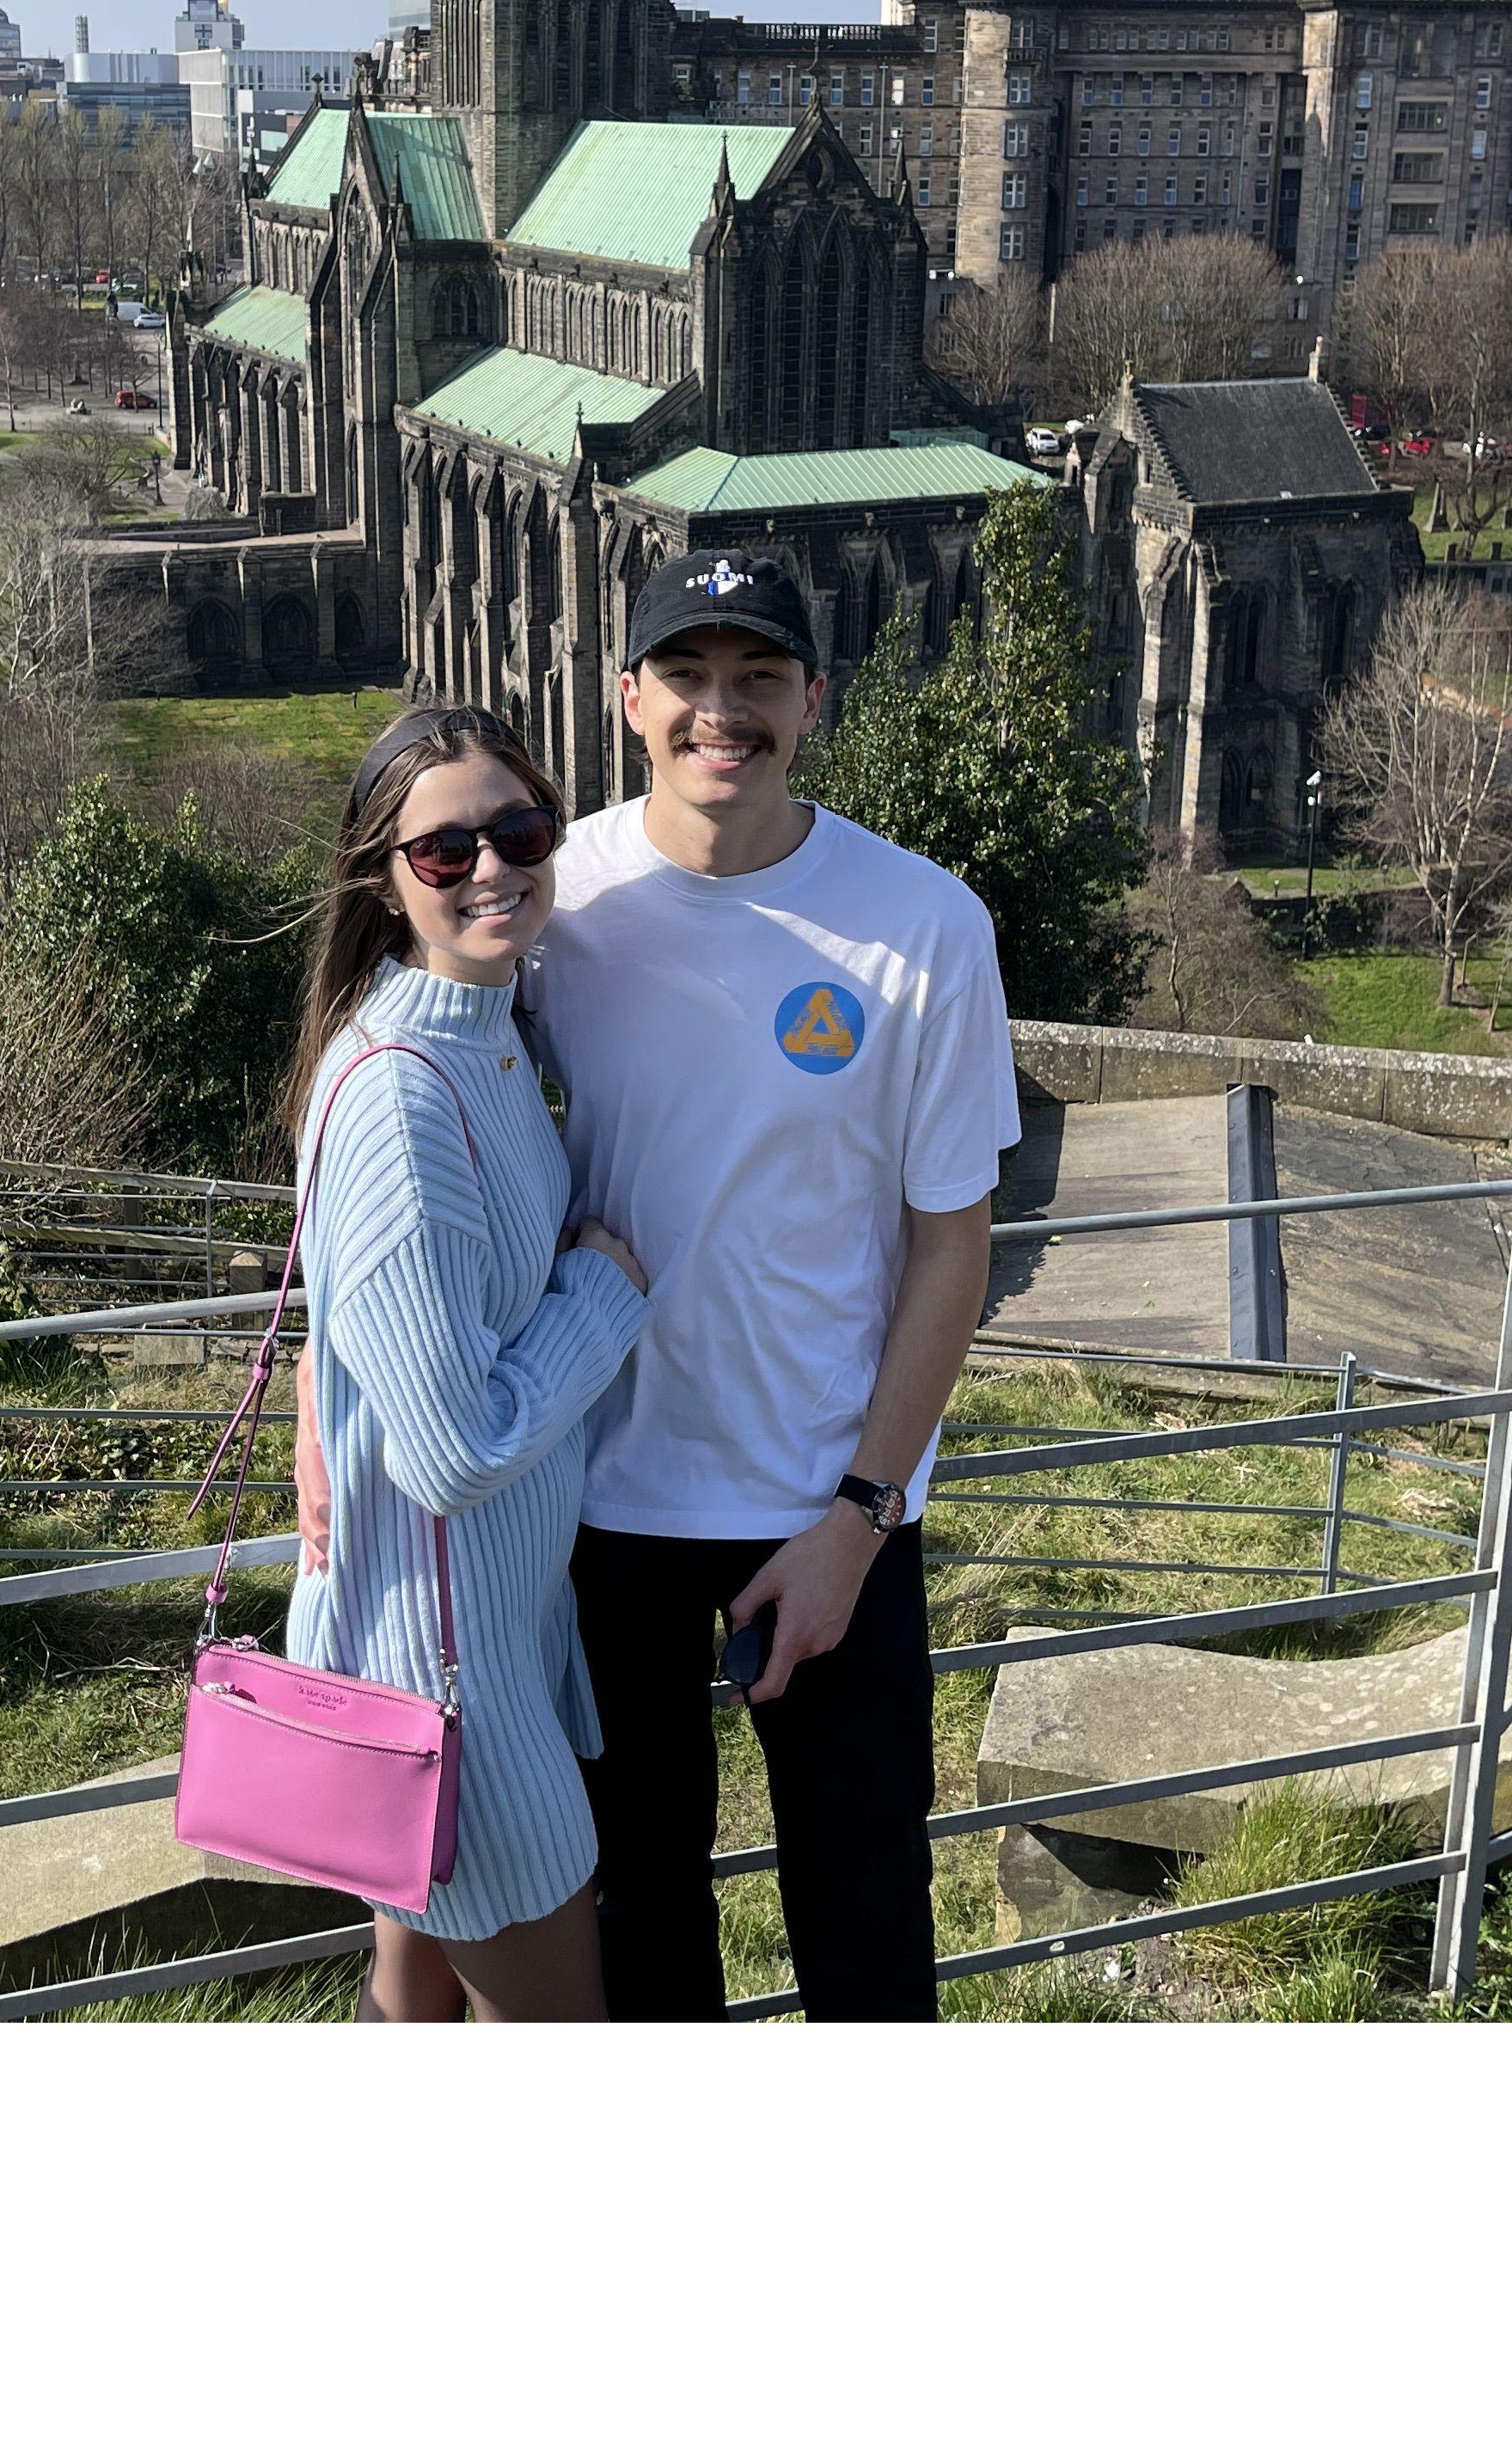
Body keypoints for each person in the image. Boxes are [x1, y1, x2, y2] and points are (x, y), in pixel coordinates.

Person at [534, 548, 1021, 2022]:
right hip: (607, 1514)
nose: (719, 713)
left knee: (868, 1927)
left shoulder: (927, 925)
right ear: (629, 698)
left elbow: (954, 1243)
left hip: (828, 1510)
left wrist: (860, 1519)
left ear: (814, 700)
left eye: (757, 679)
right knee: (646, 1930)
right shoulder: (554, 910)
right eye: (686, 676)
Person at [284, 703, 652, 2023]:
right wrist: (604, 1298)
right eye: (444, 853)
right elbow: (456, 1446)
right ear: (385, 880)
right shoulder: (399, 1091)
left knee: (417, 2004)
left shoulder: (478, 1028)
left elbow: (383, 1313)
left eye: (520, 831)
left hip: (471, 1632)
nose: (492, 867)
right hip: (448, 1684)